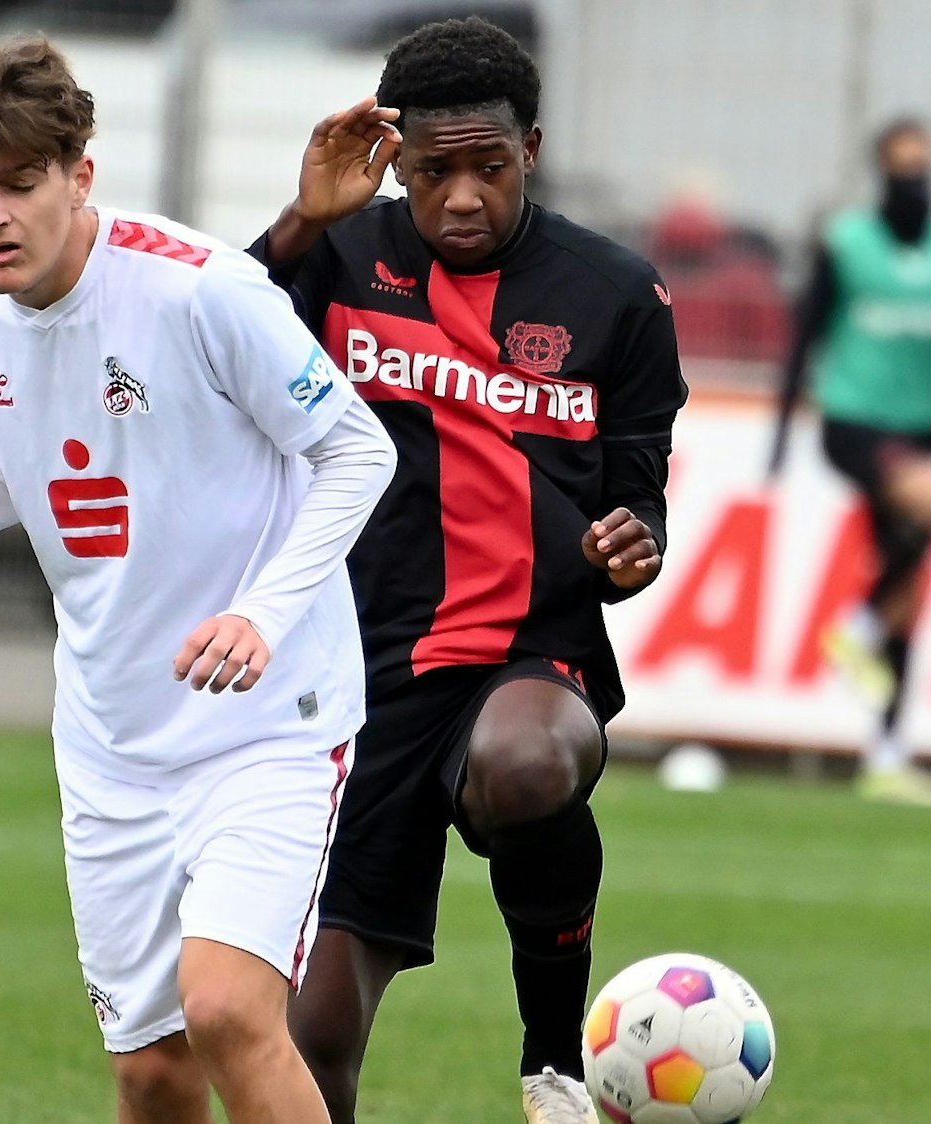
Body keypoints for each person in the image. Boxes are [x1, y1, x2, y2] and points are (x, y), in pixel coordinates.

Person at [0, 36, 397, 1124]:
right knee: (150, 1072)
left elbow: (359, 449)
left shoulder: (203, 292)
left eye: (18, 183)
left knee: (231, 1011)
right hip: (110, 739)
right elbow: (40, 454)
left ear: (80, 173)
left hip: (267, 722)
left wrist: (261, 612)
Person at [245, 17, 687, 1124]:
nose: (461, 199)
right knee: (310, 1039)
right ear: (393, 160)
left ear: (530, 148)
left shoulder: (616, 294)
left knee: (531, 762)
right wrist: (302, 219)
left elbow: (638, 492)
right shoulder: (335, 258)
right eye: (432, 171)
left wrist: (633, 540)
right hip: (354, 677)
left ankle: (555, 1065)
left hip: (528, 652)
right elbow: (211, 359)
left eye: (487, 167)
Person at [769, 116, 931, 807]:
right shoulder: (846, 243)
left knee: (907, 593)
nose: (913, 184)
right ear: (881, 172)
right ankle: (856, 629)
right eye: (901, 170)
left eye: (923, 169)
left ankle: (885, 751)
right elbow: (804, 337)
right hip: (855, 421)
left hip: (922, 427)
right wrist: (781, 437)